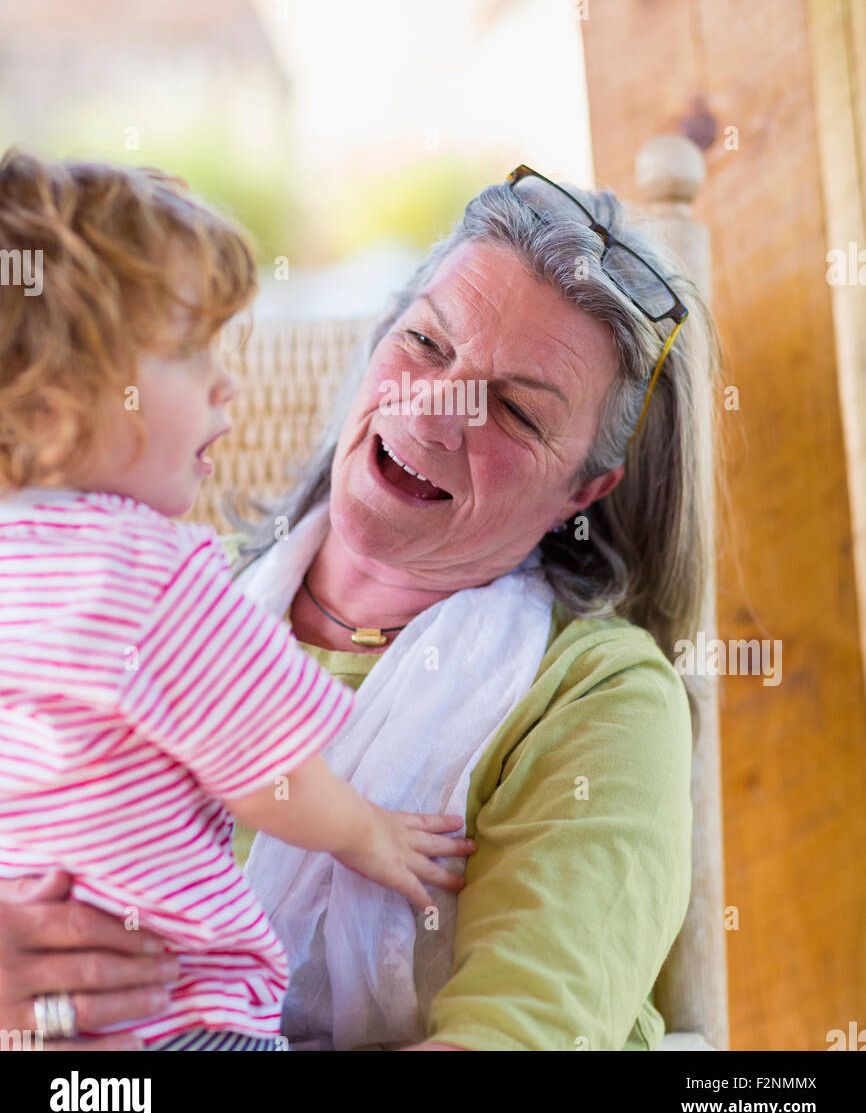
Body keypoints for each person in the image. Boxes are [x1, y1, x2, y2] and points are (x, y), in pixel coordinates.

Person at [0, 160, 723, 1052]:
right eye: (425, 343)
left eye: (515, 412)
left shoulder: (595, 697)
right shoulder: (139, 598)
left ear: (587, 489)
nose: (433, 410)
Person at [0, 149, 474, 1052]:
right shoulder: (149, 574)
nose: (225, 382)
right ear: (59, 412)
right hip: (177, 1020)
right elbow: (269, 773)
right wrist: (368, 833)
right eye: (184, 351)